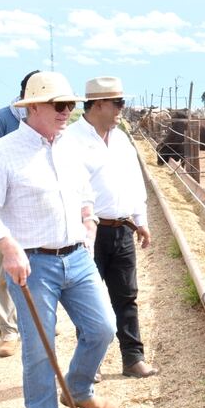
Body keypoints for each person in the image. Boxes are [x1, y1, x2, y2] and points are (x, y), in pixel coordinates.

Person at [0, 71, 118, 408]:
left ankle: (79, 389)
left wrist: (89, 219)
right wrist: (8, 246)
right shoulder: (4, 152)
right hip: (33, 264)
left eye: (71, 104)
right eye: (59, 105)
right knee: (39, 346)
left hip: (76, 256)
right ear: (32, 106)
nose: (67, 111)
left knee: (103, 327)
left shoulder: (69, 146)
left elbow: (83, 191)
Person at [67, 76, 158, 378]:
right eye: (118, 103)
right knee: (89, 301)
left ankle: (133, 358)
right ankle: (89, 363)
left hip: (121, 229)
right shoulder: (70, 140)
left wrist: (140, 221)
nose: (123, 108)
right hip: (87, 233)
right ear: (99, 104)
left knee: (126, 295)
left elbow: (134, 182)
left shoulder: (121, 139)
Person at [0, 70, 39, 357]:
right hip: (10, 209)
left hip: (39, 208)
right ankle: (8, 331)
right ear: (27, 94)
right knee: (7, 271)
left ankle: (37, 322)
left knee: (40, 268)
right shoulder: (2, 120)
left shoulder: (49, 121)